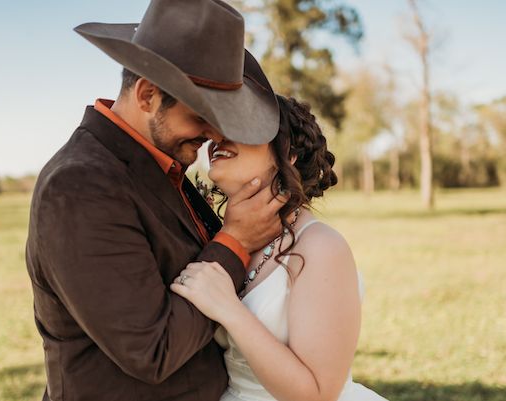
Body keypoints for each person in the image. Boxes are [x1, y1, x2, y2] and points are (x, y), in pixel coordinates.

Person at [25, 1, 285, 400]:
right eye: (201, 115)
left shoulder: (160, 165)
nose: (215, 134)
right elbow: (151, 351)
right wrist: (236, 241)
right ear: (147, 95)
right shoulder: (79, 185)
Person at [171, 95, 389, 401]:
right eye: (219, 128)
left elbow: (318, 394)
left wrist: (229, 309)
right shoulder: (229, 239)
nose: (216, 137)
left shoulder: (321, 247)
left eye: (240, 127)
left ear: (287, 152)